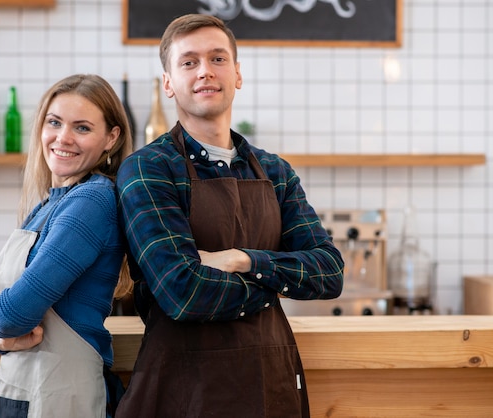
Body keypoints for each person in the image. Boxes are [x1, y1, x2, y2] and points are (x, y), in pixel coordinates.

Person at [115, 14, 345, 418]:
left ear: (237, 74)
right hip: (182, 394)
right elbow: (182, 292)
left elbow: (329, 272)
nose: (205, 71)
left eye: (217, 59)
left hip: (270, 387)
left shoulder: (275, 172)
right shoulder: (149, 169)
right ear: (168, 83)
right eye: (189, 62)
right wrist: (275, 284)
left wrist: (244, 260)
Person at [0, 74, 132, 418]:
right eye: (54, 122)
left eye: (82, 128)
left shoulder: (91, 200)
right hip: (23, 389)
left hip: (64, 396)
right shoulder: (46, 206)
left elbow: (8, 315)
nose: (63, 138)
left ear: (111, 138)